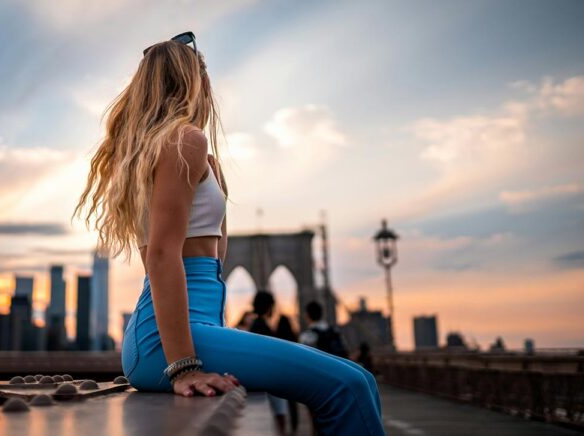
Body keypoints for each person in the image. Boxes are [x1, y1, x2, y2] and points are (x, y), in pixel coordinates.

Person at [72, 31, 385, 436]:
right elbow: (162, 256)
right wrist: (183, 366)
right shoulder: (184, 141)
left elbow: (209, 259)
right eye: (202, 74)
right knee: (350, 385)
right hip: (169, 343)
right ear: (190, 81)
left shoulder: (180, 152)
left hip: (189, 331)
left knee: (359, 380)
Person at [248, 291, 288, 435]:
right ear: (269, 306)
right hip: (270, 379)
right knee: (280, 416)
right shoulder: (262, 327)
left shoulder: (256, 325)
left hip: (264, 378)